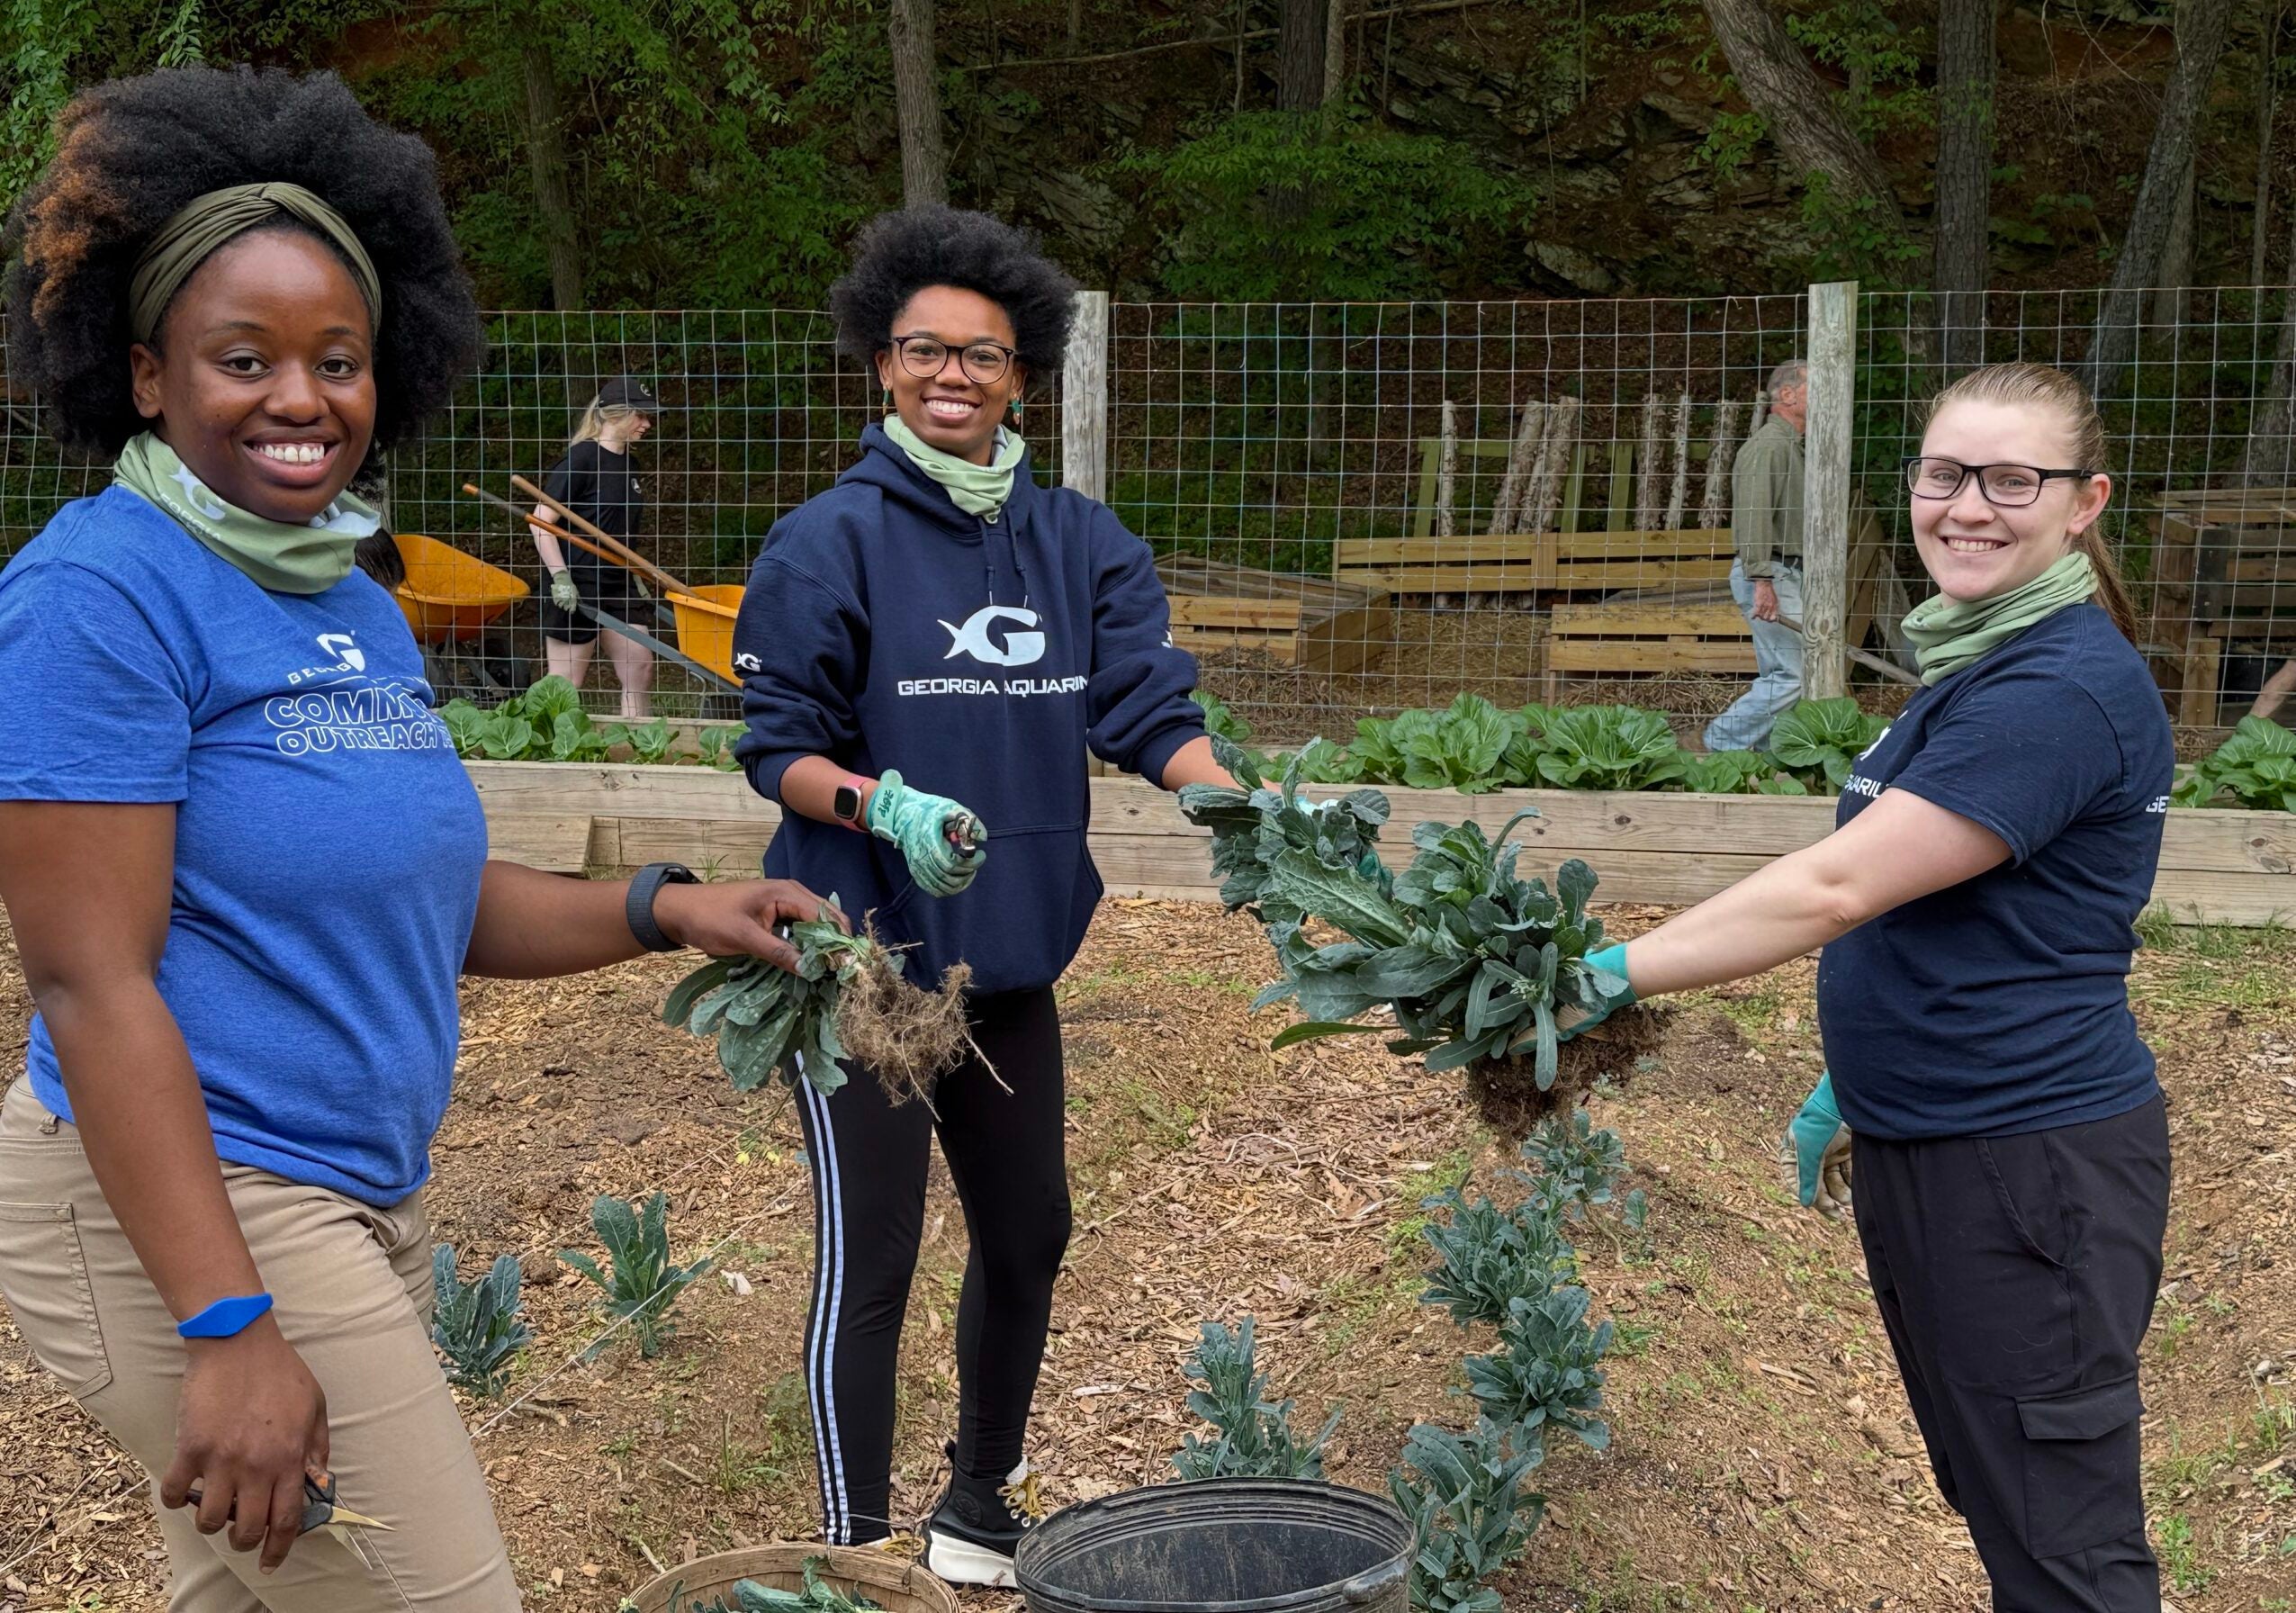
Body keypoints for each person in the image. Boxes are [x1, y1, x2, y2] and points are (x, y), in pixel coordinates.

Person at [0, 67, 834, 1612]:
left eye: (339, 360)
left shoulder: (350, 599)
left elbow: (428, 897)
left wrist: (664, 905)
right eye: (242, 358)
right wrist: (230, 1327)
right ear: (144, 373)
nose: (301, 398)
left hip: (343, 1192)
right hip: (187, 1205)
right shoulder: (98, 598)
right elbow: (87, 982)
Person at [1569, 362, 2174, 1613]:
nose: (1967, 505)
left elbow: (1836, 887)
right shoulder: (1978, 660)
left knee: (2061, 1537)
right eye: (1943, 474)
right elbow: (1959, 912)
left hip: (2022, 1163)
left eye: (2012, 480)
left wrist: (1607, 972)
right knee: (1997, 1487)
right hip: (1939, 1138)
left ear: (2083, 504)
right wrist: (1860, 1072)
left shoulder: (2056, 686)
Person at [729, 205, 1230, 1585]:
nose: (951, 375)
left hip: (1003, 965)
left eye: (982, 355)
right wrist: (880, 805)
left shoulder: (1078, 543)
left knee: (1028, 1237)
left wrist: (1228, 797)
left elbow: (1145, 706)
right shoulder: (825, 542)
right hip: (858, 970)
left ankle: (975, 1509)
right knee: (874, 1260)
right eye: (924, 350)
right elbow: (779, 748)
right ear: (881, 365)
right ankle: (856, 1559)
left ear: (1022, 377)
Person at [530, 375, 661, 719]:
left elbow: (620, 530)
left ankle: (636, 742)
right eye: (640, 415)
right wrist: (560, 577)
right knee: (566, 682)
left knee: (640, 666)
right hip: (577, 581)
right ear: (615, 414)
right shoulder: (582, 458)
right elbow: (541, 522)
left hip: (617, 583)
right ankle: (549, 745)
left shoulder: (630, 464)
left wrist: (635, 575)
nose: (647, 424)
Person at [1705, 357, 1810, 753]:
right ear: (1788, 394)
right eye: (1816, 389)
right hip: (1772, 574)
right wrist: (1761, 579)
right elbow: (1754, 515)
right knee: (1794, 676)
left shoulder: (1791, 447)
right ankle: (1717, 742)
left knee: (1781, 674)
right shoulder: (1768, 447)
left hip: (1783, 572)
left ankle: (1760, 759)